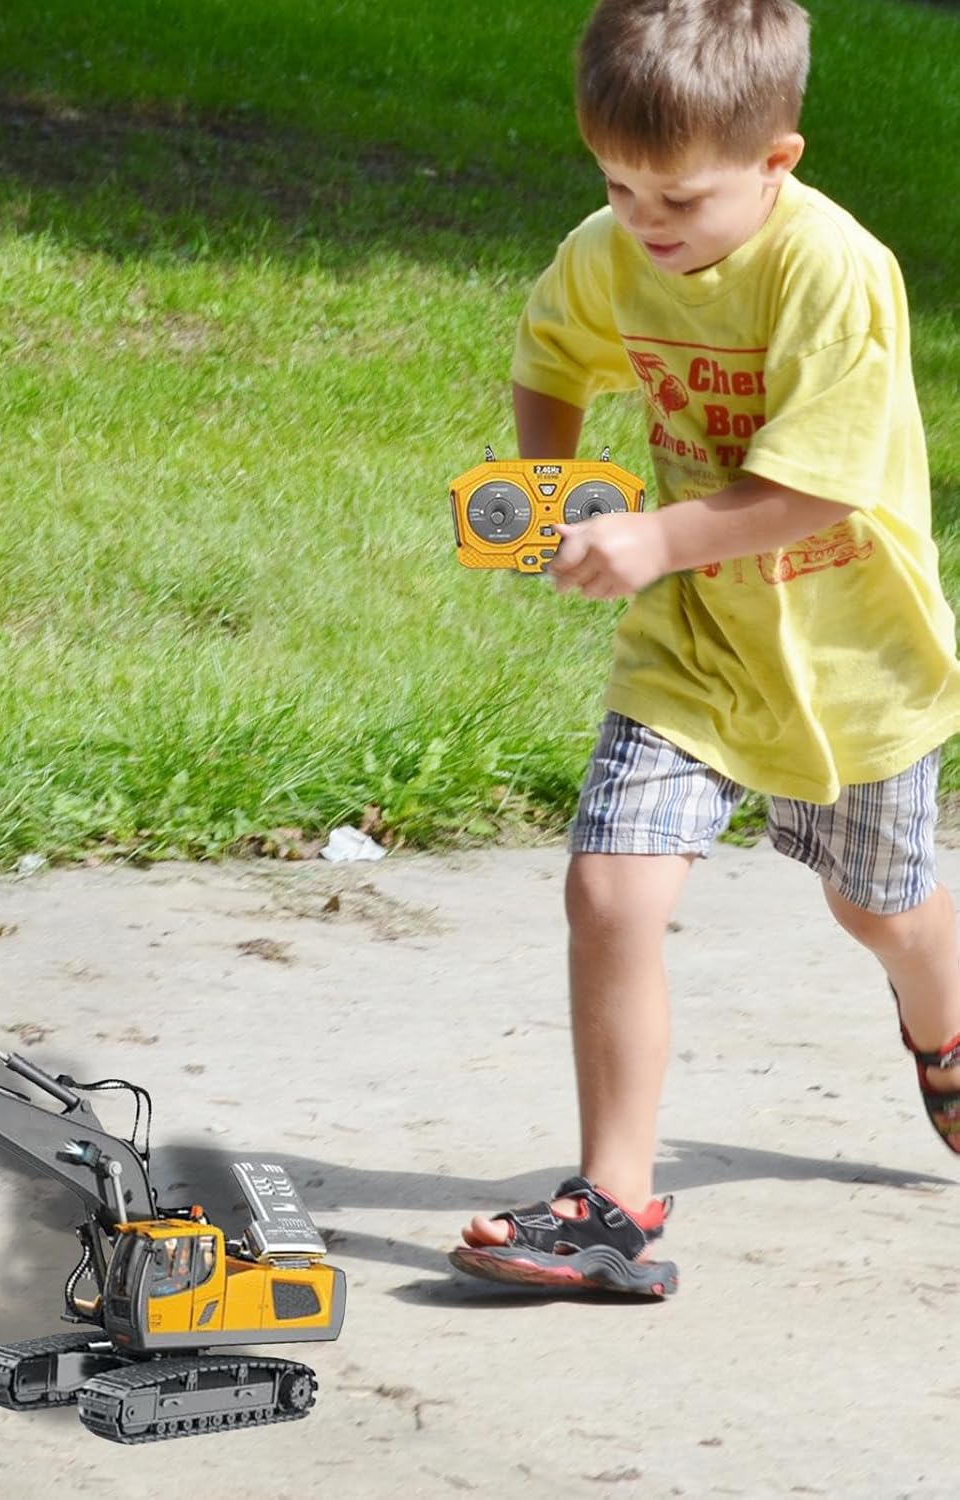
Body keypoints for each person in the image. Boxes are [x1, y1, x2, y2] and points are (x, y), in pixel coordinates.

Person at [448, 0, 960, 1298]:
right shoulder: (611, 249)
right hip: (693, 644)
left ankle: (947, 1029)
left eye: (678, 196)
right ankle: (612, 1200)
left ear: (777, 161)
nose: (645, 221)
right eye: (617, 185)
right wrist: (551, 491)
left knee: (880, 907)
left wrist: (659, 535)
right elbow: (552, 350)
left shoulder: (830, 272)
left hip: (854, 659)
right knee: (610, 893)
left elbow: (821, 489)